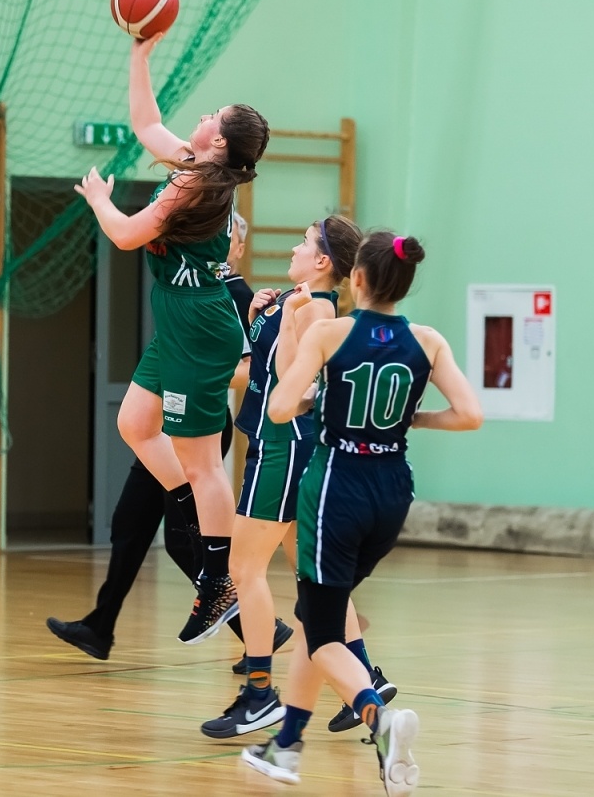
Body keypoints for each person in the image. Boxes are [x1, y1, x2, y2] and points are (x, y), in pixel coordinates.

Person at [242, 231, 482, 794]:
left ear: (357, 280)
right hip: (392, 490)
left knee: (325, 632)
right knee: (316, 614)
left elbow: (278, 409)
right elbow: (469, 414)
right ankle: (287, 746)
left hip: (337, 488)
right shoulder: (428, 341)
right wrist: (411, 420)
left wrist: (304, 385)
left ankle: (380, 716)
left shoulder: (329, 332)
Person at [75, 61, 268, 646]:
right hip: (180, 317)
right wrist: (139, 51)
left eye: (213, 115)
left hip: (201, 323)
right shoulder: (194, 164)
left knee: (203, 461)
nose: (202, 116)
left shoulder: (195, 182)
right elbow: (145, 121)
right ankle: (194, 515)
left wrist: (99, 201)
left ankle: (220, 579)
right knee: (134, 422)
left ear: (221, 140)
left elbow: (128, 234)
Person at [46, 213, 292, 662]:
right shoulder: (186, 288)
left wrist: (194, 377)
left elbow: (246, 370)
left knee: (182, 539)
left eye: (229, 235)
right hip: (162, 424)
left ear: (234, 247)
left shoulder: (232, 295)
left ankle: (253, 622)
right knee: (129, 523)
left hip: (196, 425)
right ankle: (101, 626)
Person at [201, 215, 398, 739]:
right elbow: (255, 372)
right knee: (312, 583)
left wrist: (284, 320)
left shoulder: (313, 309)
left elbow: (292, 384)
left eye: (303, 242)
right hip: (280, 448)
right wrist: (258, 313)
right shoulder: (299, 303)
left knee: (244, 569)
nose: (293, 247)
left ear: (323, 262)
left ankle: (260, 693)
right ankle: (364, 684)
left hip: (284, 449)